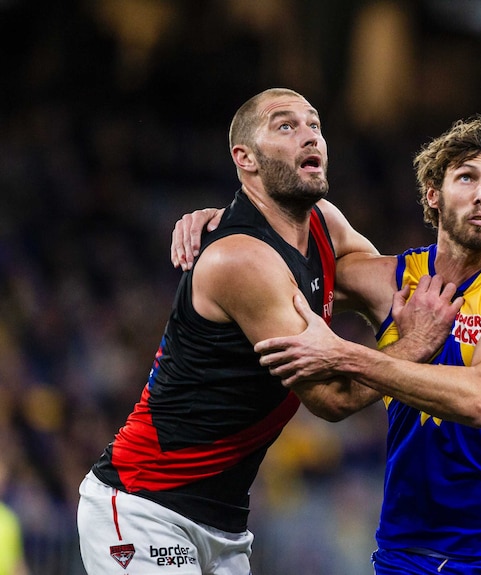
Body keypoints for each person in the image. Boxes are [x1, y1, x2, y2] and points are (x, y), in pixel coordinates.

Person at [77, 88, 459, 575]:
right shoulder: (241, 259)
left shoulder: (323, 223)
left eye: (314, 125)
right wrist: (415, 345)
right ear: (245, 158)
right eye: (286, 126)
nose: (310, 136)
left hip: (224, 526)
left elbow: (396, 293)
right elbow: (332, 397)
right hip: (143, 506)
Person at [176, 115, 481, 574]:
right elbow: (271, 261)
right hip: (407, 556)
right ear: (433, 194)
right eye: (466, 177)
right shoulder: (389, 281)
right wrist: (226, 224)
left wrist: (345, 354)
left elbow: (480, 399)